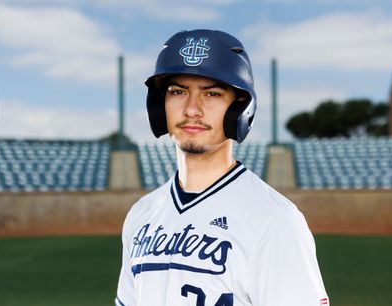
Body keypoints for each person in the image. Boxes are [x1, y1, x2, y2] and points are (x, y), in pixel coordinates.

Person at [115, 29, 328, 306]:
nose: (192, 109)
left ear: (239, 107)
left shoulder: (274, 220)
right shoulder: (141, 215)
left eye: (212, 93)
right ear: (160, 104)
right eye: (178, 91)